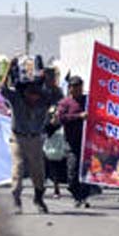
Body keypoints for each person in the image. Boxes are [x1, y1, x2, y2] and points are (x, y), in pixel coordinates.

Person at [0, 61, 58, 214]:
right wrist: (8, 69)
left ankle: (38, 198)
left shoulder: (44, 101)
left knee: (38, 171)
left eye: (35, 93)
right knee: (18, 169)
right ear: (24, 92)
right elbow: (2, 89)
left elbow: (58, 96)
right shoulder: (16, 99)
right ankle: (16, 199)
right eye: (30, 93)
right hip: (18, 138)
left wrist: (50, 78)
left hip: (35, 139)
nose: (33, 97)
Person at [56, 75, 91, 208]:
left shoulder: (88, 100)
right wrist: (78, 116)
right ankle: (76, 193)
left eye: (79, 87)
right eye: (74, 87)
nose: (77, 90)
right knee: (72, 173)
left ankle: (82, 197)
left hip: (87, 143)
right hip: (72, 142)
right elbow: (61, 118)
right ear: (70, 88)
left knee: (87, 173)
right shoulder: (64, 103)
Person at [43, 68, 67, 198]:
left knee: (53, 158)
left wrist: (57, 114)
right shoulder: (40, 89)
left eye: (53, 77)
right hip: (40, 127)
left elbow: (61, 105)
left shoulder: (57, 91)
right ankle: (42, 183)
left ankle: (56, 187)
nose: (51, 80)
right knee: (43, 160)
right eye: (49, 77)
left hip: (53, 127)